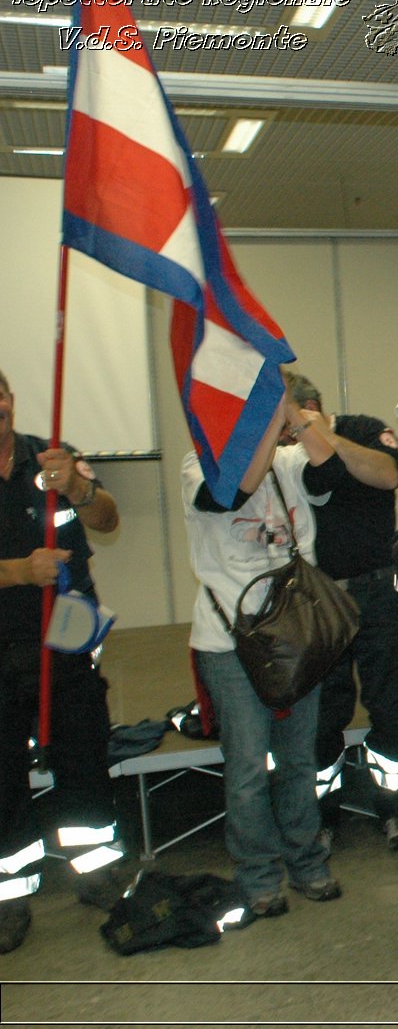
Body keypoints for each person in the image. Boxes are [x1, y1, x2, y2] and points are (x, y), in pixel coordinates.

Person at [183, 389, 341, 919]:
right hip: (231, 642)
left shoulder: (293, 460)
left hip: (298, 637)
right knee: (249, 766)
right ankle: (258, 876)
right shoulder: (196, 468)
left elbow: (330, 470)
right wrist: (265, 427)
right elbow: (229, 493)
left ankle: (306, 861)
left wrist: (292, 411)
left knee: (299, 759)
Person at [0, 368, 123, 953]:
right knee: (1, 777)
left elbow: (108, 520)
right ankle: (9, 894)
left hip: (67, 643)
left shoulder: (53, 459)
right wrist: (20, 572)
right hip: (1, 648)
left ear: (12, 400)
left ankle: (96, 869)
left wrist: (76, 489)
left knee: (84, 757)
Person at [283, 373, 398, 853]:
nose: (287, 437)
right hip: (317, 600)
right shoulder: (282, 454)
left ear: (313, 407)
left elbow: (387, 475)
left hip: (378, 592)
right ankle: (323, 817)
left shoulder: (363, 429)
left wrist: (321, 432)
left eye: (291, 425)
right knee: (322, 715)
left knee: (391, 706)